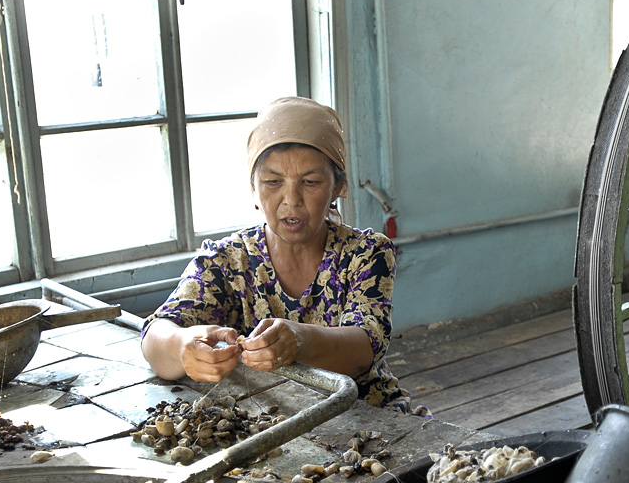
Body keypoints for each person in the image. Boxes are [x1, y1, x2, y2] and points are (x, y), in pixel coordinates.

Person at [141, 96, 428, 417]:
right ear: (253, 189)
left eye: (311, 182)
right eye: (273, 181)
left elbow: (365, 347)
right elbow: (155, 335)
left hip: (364, 410)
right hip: (267, 416)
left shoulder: (364, 253)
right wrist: (182, 347)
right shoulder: (226, 261)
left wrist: (300, 341)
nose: (291, 200)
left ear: (338, 188)